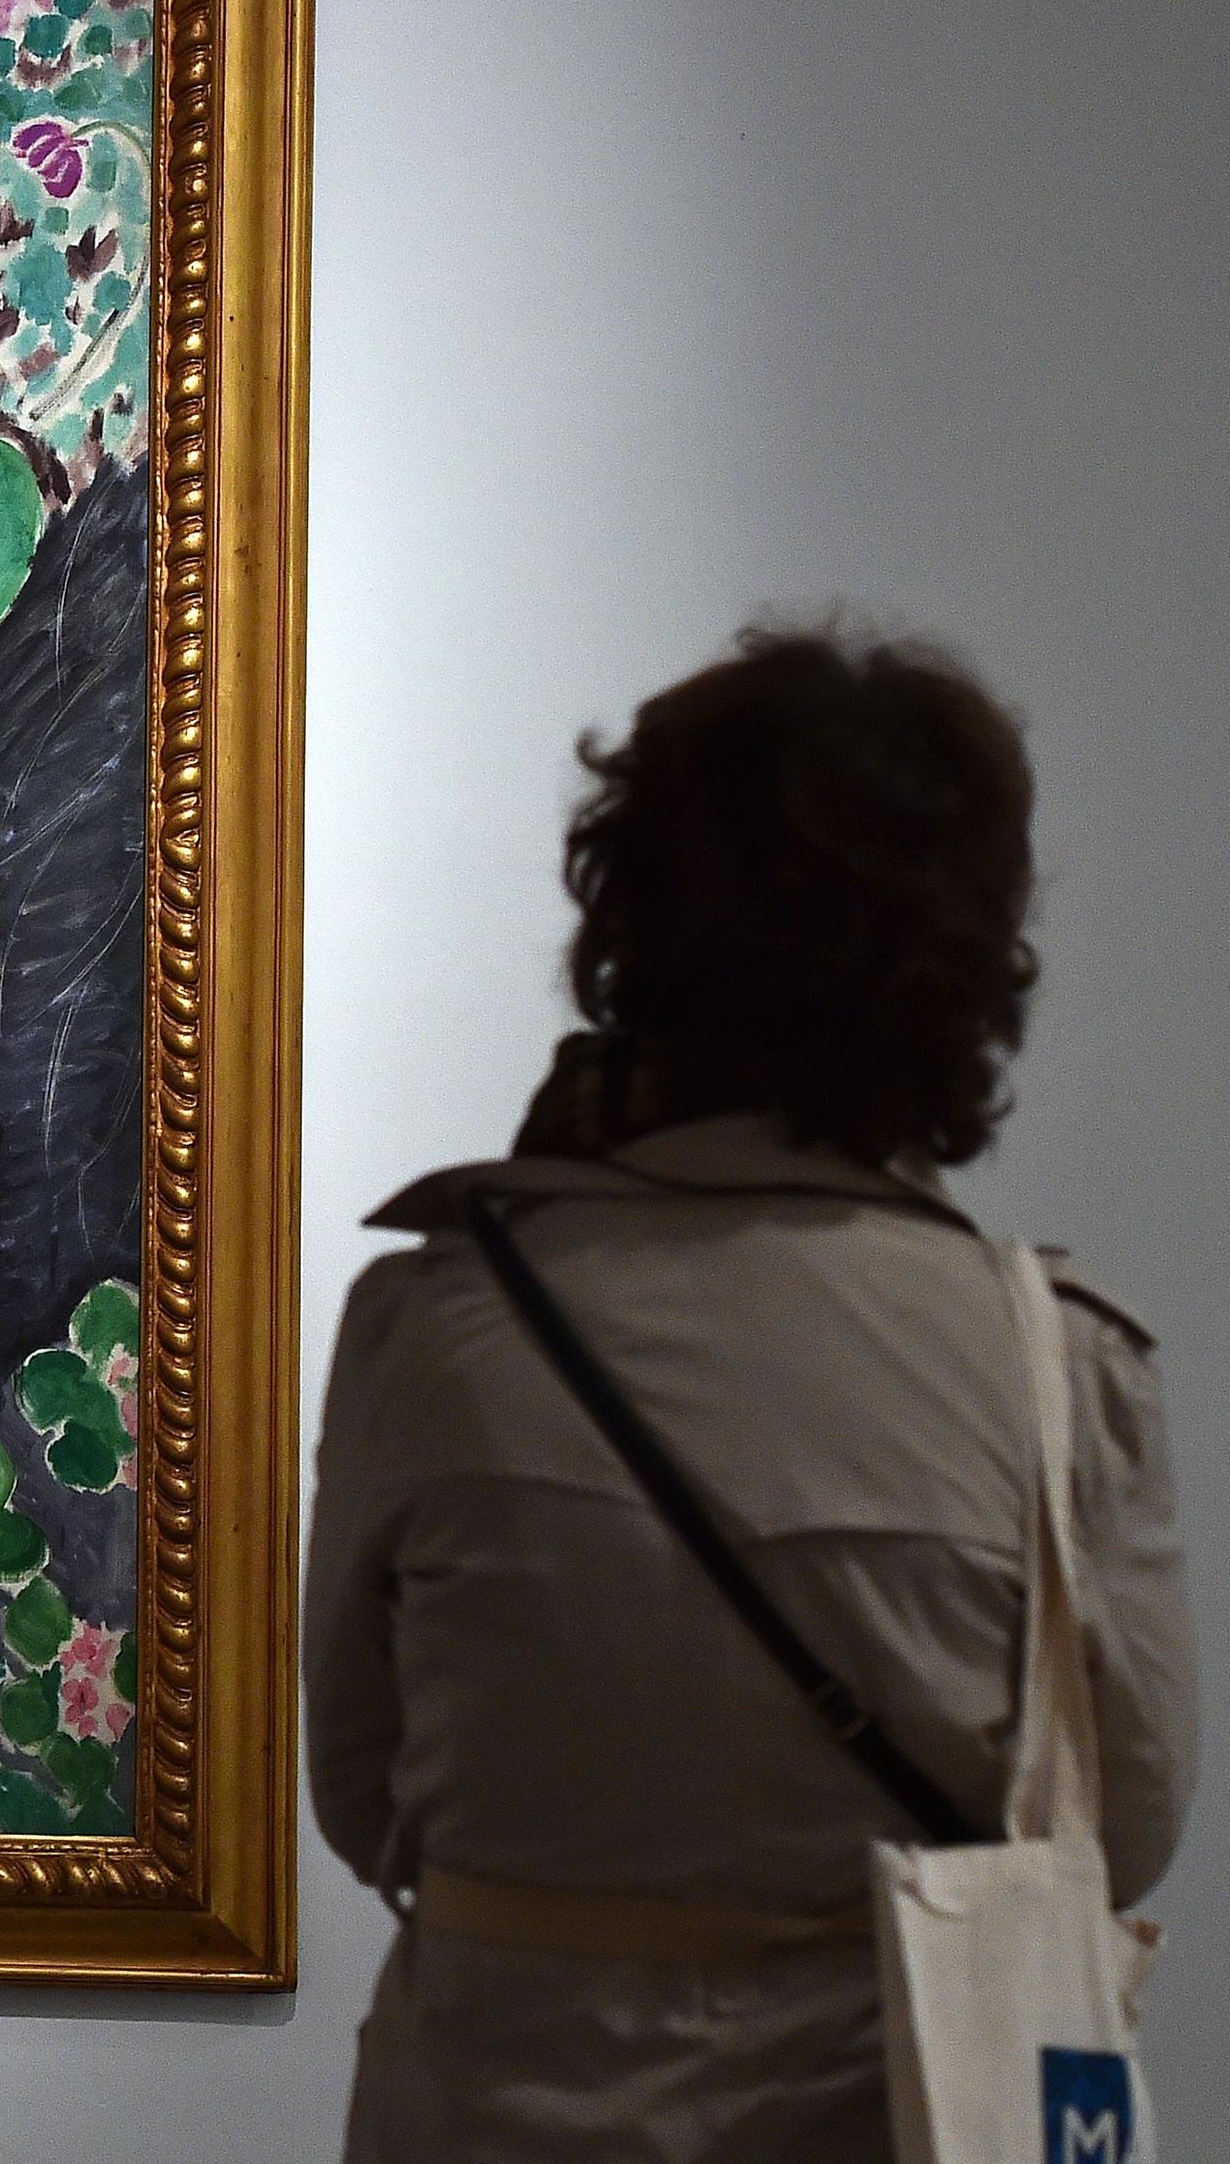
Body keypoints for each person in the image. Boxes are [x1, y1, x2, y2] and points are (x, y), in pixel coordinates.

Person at [308, 625, 1197, 2161]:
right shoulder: (1059, 1368)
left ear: (629, 923)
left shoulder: (442, 1325)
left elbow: (361, 1789)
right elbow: (1122, 1827)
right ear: (971, 964)